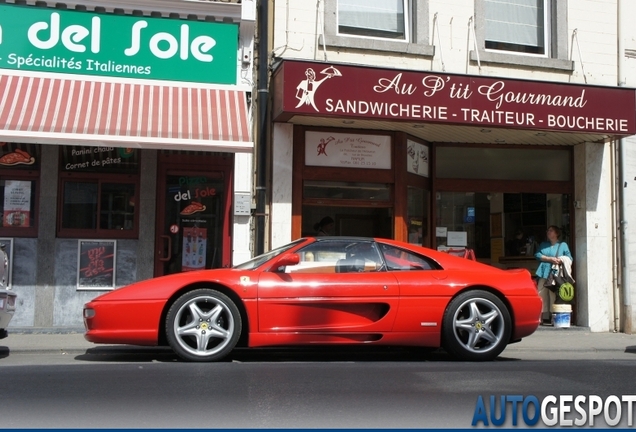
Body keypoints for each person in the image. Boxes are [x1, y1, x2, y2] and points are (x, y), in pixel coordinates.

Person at [534, 225, 572, 325]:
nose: (548, 232)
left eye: (551, 231)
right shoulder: (543, 244)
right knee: (541, 294)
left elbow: (569, 258)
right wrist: (549, 259)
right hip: (543, 273)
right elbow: (537, 255)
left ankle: (553, 317)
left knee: (553, 295)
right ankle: (540, 317)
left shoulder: (563, 245)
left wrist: (560, 260)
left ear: (556, 233)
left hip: (555, 274)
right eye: (548, 231)